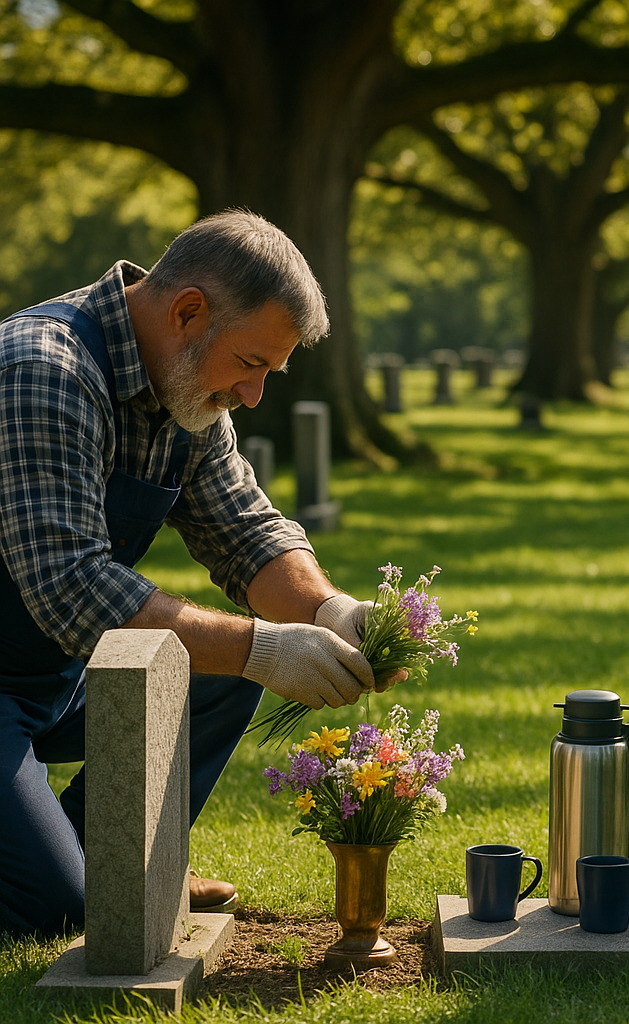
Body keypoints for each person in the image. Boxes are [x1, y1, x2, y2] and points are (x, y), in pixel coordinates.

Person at [0, 210, 390, 938]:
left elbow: (245, 531)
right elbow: (70, 587)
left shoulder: (186, 389)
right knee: (54, 913)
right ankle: (67, 874)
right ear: (187, 313)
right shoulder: (43, 371)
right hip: (17, 672)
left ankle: (105, 858)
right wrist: (264, 647)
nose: (253, 396)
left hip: (59, 673)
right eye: (251, 365)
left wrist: (330, 611)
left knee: (231, 667)